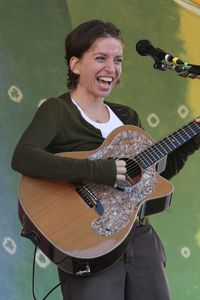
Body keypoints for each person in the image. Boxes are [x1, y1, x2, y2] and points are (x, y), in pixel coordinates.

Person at [12, 19, 200, 300]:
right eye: (101, 58)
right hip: (87, 240)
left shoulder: (127, 117)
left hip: (138, 236)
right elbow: (24, 157)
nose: (111, 69)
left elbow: (147, 180)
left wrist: (192, 139)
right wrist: (100, 170)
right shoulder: (58, 110)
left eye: (118, 60)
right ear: (75, 65)